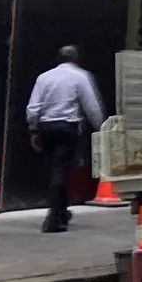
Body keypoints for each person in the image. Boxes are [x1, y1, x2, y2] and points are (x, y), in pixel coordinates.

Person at [24, 44, 107, 232]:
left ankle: (61, 212)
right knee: (60, 171)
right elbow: (91, 106)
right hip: (67, 127)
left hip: (46, 127)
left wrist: (34, 130)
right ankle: (53, 218)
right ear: (77, 58)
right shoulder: (81, 76)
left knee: (55, 169)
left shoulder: (44, 77)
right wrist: (101, 128)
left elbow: (33, 107)